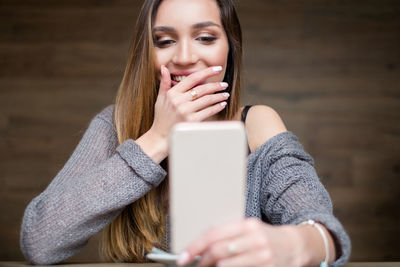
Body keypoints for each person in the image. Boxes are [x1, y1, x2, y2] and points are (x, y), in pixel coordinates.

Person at [20, 0, 351, 266]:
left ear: (230, 49)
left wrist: (292, 244)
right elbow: (38, 241)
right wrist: (157, 139)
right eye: (164, 41)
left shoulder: (256, 124)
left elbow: (321, 228)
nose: (184, 58)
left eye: (205, 37)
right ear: (147, 55)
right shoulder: (115, 125)